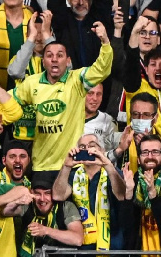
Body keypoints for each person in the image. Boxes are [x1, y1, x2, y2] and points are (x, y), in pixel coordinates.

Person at [13, 27, 112, 174]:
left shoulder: (78, 80)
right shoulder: (31, 83)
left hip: (72, 164)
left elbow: (101, 70)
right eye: (49, 55)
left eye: (60, 55)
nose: (54, 59)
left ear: (68, 61)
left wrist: (105, 42)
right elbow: (10, 100)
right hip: (41, 165)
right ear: (43, 61)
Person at [51, 135, 127, 257]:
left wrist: (108, 165)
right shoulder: (73, 174)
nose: (87, 150)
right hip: (81, 253)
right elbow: (58, 195)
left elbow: (121, 195)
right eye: (82, 147)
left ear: (102, 150)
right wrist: (66, 166)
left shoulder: (113, 173)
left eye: (92, 145)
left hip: (112, 252)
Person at [18, 174, 83, 257]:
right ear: (31, 193)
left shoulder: (66, 207)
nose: (42, 199)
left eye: (47, 193)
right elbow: (5, 211)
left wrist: (46, 230)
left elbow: (77, 239)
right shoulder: (27, 205)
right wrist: (17, 201)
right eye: (37, 194)